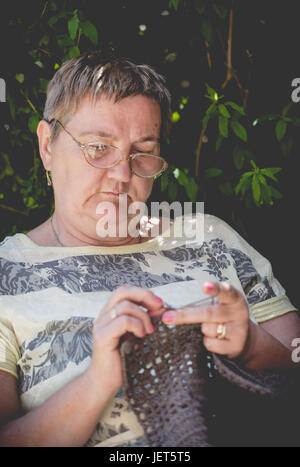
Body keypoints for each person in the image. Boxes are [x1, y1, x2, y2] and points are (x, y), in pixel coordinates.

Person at [0, 52, 299, 447]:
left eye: (142, 152)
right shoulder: (7, 273)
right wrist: (99, 380)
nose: (123, 175)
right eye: (98, 148)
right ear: (47, 145)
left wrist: (253, 346)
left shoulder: (209, 238)